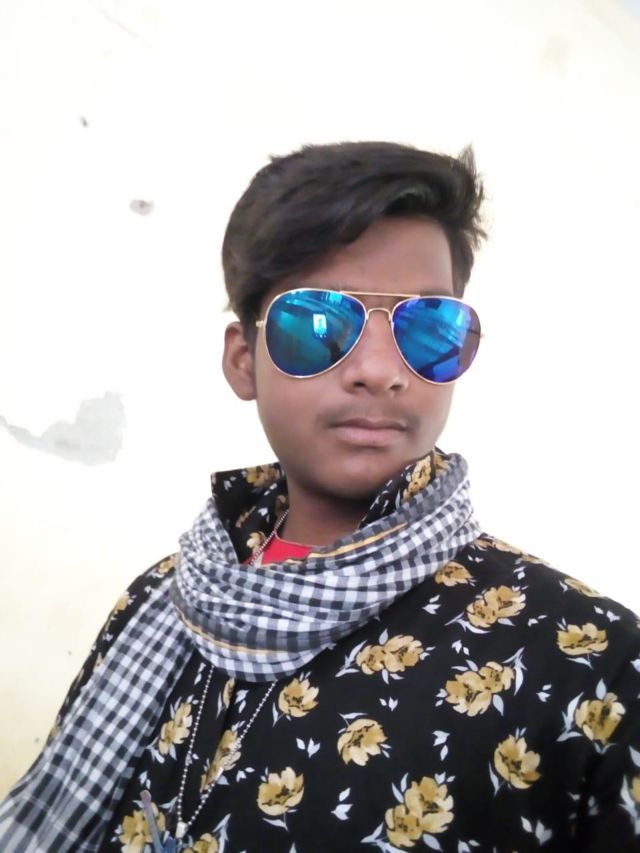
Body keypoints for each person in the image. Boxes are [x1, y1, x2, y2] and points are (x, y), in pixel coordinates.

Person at [1, 141, 639, 853]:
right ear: (243, 360)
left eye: (428, 326)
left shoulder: (588, 665)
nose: (379, 370)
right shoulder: (160, 601)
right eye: (318, 323)